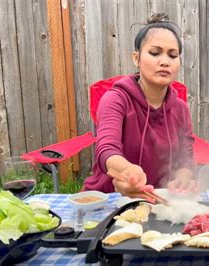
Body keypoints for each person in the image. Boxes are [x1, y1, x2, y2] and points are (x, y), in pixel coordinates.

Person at [84, 13, 197, 197]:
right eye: (154, 53)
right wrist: (128, 172)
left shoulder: (180, 108)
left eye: (173, 55)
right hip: (108, 199)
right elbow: (106, 148)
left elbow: (186, 154)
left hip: (159, 200)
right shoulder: (116, 99)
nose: (164, 61)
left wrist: (184, 175)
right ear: (136, 58)